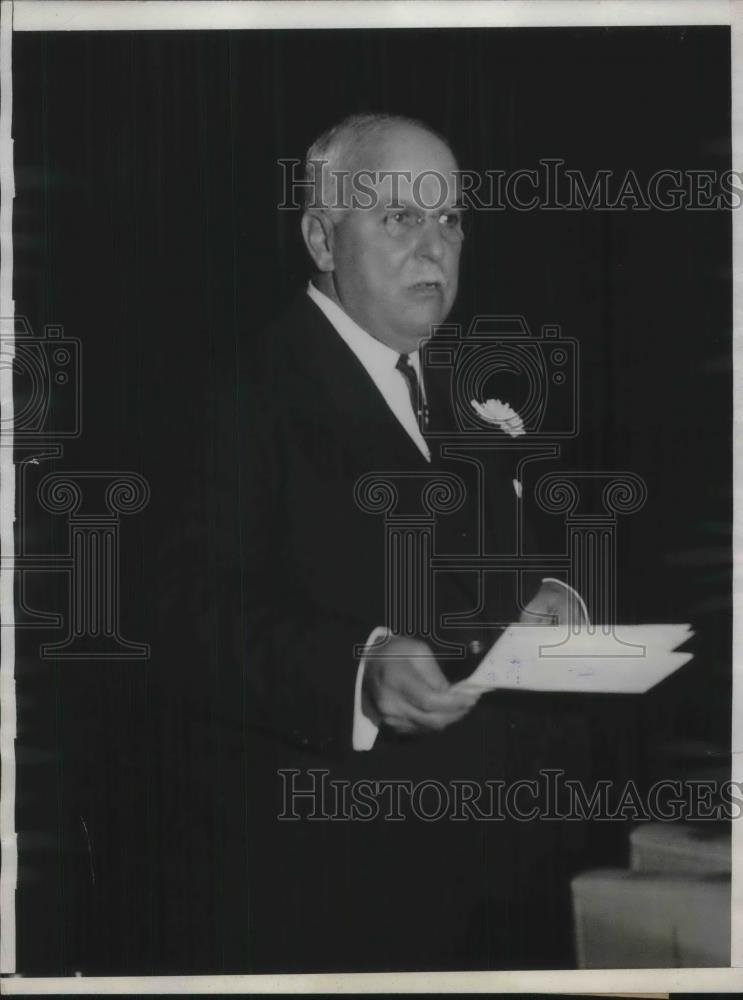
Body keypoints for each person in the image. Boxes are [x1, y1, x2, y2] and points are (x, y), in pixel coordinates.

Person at [207, 113, 591, 974]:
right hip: (341, 888)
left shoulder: (458, 383)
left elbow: (495, 574)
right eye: (399, 218)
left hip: (513, 873)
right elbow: (175, 613)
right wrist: (355, 668)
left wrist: (552, 593)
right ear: (320, 236)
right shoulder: (235, 391)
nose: (435, 248)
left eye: (450, 219)